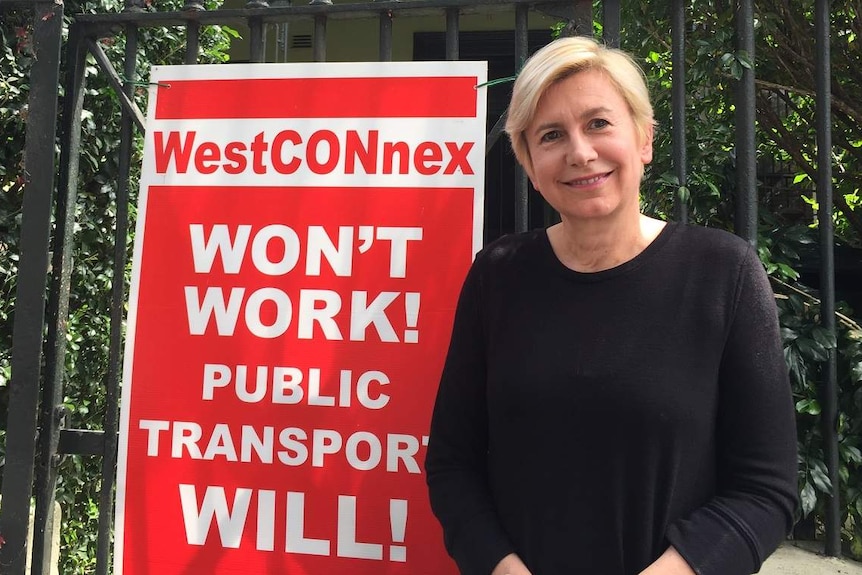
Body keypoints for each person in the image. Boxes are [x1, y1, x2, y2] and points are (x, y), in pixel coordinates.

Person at [424, 36, 798, 575]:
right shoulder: (497, 276)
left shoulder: (723, 273)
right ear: (529, 163)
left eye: (599, 123)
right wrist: (500, 566)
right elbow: (452, 462)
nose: (579, 152)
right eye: (551, 136)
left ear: (644, 138)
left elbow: (765, 489)